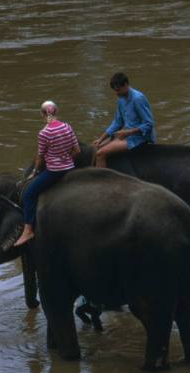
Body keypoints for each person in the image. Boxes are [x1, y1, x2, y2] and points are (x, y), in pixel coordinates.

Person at [14, 100, 80, 247]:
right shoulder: (67, 127)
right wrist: (66, 160)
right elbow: (77, 151)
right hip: (70, 167)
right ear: (56, 111)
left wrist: (34, 172)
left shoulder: (44, 133)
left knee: (29, 194)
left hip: (54, 172)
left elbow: (40, 157)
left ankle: (28, 229)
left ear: (42, 114)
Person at [93, 72, 156, 168]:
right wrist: (101, 139)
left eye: (118, 90)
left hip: (139, 138)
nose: (116, 93)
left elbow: (149, 124)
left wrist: (128, 132)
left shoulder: (138, 99)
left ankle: (101, 182)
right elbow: (117, 122)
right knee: (97, 147)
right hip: (127, 135)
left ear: (126, 85)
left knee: (100, 154)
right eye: (115, 90)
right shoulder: (121, 99)